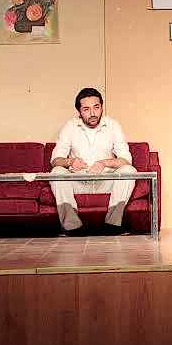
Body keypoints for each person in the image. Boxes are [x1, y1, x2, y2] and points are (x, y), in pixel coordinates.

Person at [50, 87, 136, 236]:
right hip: (78, 181)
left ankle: (113, 224)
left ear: (101, 107)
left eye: (96, 107)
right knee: (56, 172)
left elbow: (126, 160)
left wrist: (104, 163)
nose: (92, 113)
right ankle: (71, 226)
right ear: (79, 111)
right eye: (86, 109)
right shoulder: (70, 126)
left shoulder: (113, 125)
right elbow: (55, 160)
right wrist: (70, 162)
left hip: (105, 181)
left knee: (129, 171)